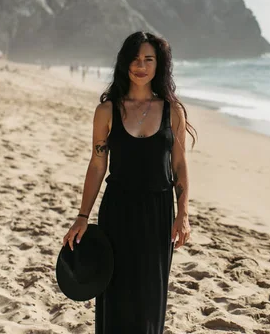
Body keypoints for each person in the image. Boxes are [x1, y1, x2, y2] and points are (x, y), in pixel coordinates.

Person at [61, 31, 197, 333]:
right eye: (135, 59)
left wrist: (182, 214)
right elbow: (97, 165)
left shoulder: (172, 111)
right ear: (125, 63)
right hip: (117, 212)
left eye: (149, 59)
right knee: (116, 295)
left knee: (150, 297)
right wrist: (82, 216)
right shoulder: (107, 111)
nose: (141, 65)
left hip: (158, 214)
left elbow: (179, 164)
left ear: (158, 65)